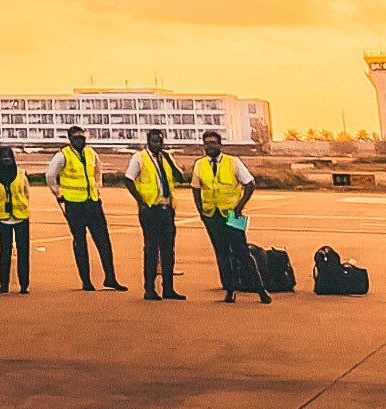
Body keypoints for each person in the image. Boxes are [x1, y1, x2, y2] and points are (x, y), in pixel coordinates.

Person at [195, 130, 271, 304]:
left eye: (213, 143)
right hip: (212, 215)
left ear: (220, 145)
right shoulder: (200, 164)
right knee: (221, 254)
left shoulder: (233, 162)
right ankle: (230, 290)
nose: (210, 146)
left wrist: (239, 206)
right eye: (207, 143)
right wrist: (201, 210)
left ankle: (260, 290)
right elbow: (196, 187)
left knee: (242, 252)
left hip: (233, 214)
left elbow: (250, 184)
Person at [55, 138, 117, 292]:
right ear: (70, 139)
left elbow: (98, 170)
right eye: (76, 138)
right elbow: (50, 175)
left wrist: (97, 187)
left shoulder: (90, 153)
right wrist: (58, 193)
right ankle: (86, 281)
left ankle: (110, 277)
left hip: (92, 202)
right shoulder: (63, 155)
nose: (80, 141)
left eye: (82, 138)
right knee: (80, 241)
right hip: (74, 204)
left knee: (103, 240)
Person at [127, 129, 182, 299]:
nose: (157, 144)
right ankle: (149, 288)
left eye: (159, 141)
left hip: (166, 208)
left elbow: (179, 177)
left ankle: (168, 288)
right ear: (148, 142)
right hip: (150, 209)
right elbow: (128, 179)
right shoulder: (140, 158)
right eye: (154, 141)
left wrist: (171, 163)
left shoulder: (165, 158)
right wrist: (141, 201)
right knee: (152, 249)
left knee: (168, 250)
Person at [0, 141, 34, 294]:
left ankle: (24, 285)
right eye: (3, 156)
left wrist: (24, 207)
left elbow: (26, 193)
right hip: (3, 219)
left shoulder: (21, 174)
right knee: (5, 252)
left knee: (23, 252)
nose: (6, 159)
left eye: (8, 156)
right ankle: (4, 285)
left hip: (21, 217)